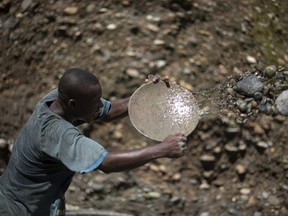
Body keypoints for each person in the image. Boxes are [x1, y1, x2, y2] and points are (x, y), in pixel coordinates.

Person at [0, 68, 188, 216]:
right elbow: (106, 162)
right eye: (96, 101)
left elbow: (109, 111)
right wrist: (162, 149)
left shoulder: (56, 100)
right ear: (73, 104)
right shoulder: (56, 133)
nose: (100, 105)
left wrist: (144, 96)